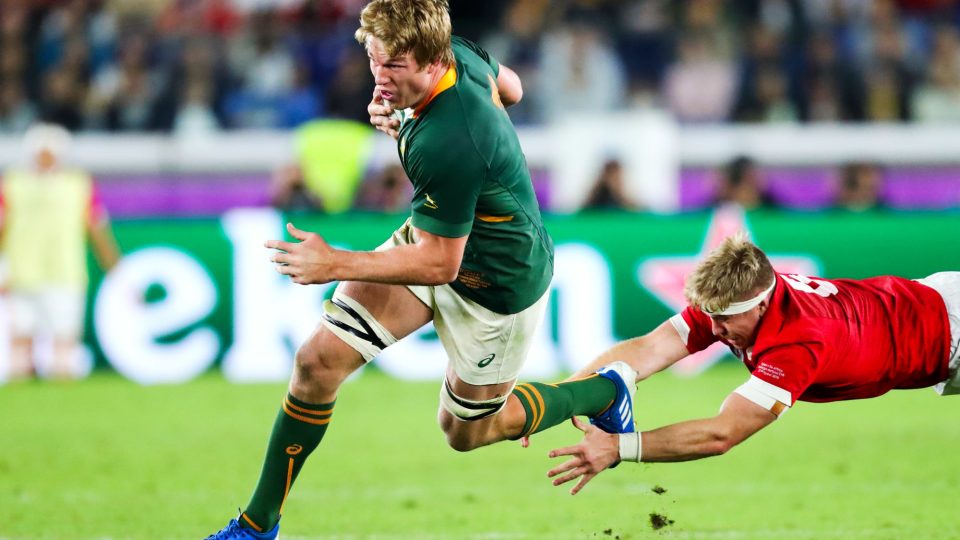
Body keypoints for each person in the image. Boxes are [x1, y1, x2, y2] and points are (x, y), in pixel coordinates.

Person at [207, 1, 637, 538]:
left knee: (465, 432)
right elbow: (516, 87)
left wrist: (333, 261)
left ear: (433, 62)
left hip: (496, 284)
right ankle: (256, 524)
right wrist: (406, 107)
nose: (380, 80)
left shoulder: (452, 138)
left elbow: (440, 263)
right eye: (375, 62)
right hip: (438, 240)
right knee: (318, 363)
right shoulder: (454, 55)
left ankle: (602, 392)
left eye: (394, 68)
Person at [545, 234, 959, 495]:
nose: (717, 330)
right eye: (711, 317)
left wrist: (618, 448)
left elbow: (720, 434)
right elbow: (647, 350)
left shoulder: (799, 342)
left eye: (726, 319)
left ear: (762, 303)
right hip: (933, 303)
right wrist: (562, 397)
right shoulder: (732, 303)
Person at [0, 122, 120, 380]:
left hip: (65, 273)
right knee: (21, 344)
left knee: (64, 344)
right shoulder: (12, 183)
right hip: (22, 275)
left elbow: (96, 229)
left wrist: (114, 267)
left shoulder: (78, 184)